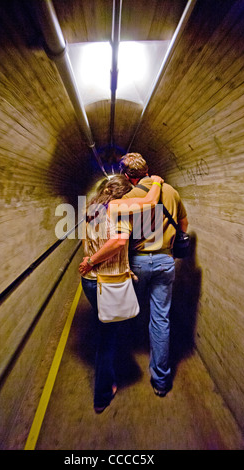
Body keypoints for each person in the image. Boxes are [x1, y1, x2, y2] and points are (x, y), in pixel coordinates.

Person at [80, 153, 188, 398]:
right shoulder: (171, 191)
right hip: (165, 260)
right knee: (161, 319)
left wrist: (91, 261)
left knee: (127, 315)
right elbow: (184, 221)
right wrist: (169, 247)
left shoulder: (127, 196)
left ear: (127, 176)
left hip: (137, 262)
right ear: (147, 169)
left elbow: (120, 236)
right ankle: (160, 380)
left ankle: (123, 363)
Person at [79, 173, 164, 413]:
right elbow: (148, 202)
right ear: (121, 193)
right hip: (106, 281)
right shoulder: (116, 206)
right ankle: (103, 394)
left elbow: (89, 240)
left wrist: (89, 259)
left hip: (90, 282)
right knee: (107, 340)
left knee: (104, 329)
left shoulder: (92, 207)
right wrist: (156, 181)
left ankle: (105, 385)